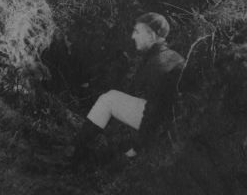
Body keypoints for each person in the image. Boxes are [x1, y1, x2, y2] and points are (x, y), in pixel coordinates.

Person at [71, 12, 185, 165]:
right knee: (112, 98)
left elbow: (155, 109)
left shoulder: (158, 64)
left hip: (164, 123)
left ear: (151, 35)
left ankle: (76, 153)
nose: (133, 36)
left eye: (137, 32)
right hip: (171, 118)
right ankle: (86, 149)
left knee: (108, 99)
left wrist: (137, 147)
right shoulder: (168, 56)